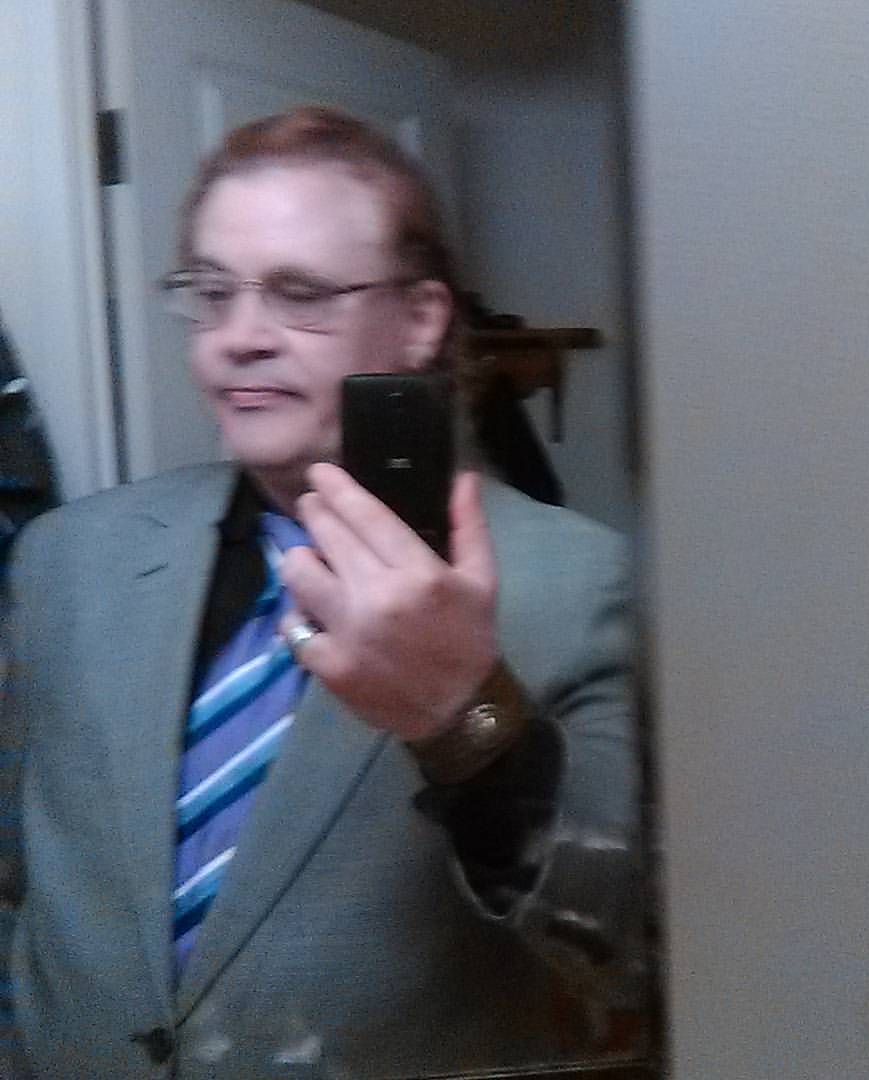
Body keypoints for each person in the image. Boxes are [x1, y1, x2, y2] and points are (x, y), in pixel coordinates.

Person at [1, 106, 642, 1077]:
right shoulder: (67, 562)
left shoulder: (583, 585)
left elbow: (622, 950)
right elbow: (20, 882)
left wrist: (464, 716)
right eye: (213, 293)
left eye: (299, 295)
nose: (239, 338)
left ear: (420, 320)